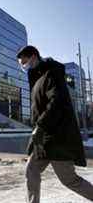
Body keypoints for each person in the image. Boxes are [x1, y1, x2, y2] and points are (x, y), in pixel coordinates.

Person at [17, 45, 93, 203]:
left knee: (69, 180)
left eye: (24, 61)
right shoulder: (38, 78)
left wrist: (40, 126)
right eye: (21, 63)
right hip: (44, 140)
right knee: (31, 171)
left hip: (58, 139)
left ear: (33, 56)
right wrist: (35, 135)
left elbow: (56, 103)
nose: (23, 65)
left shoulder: (51, 73)